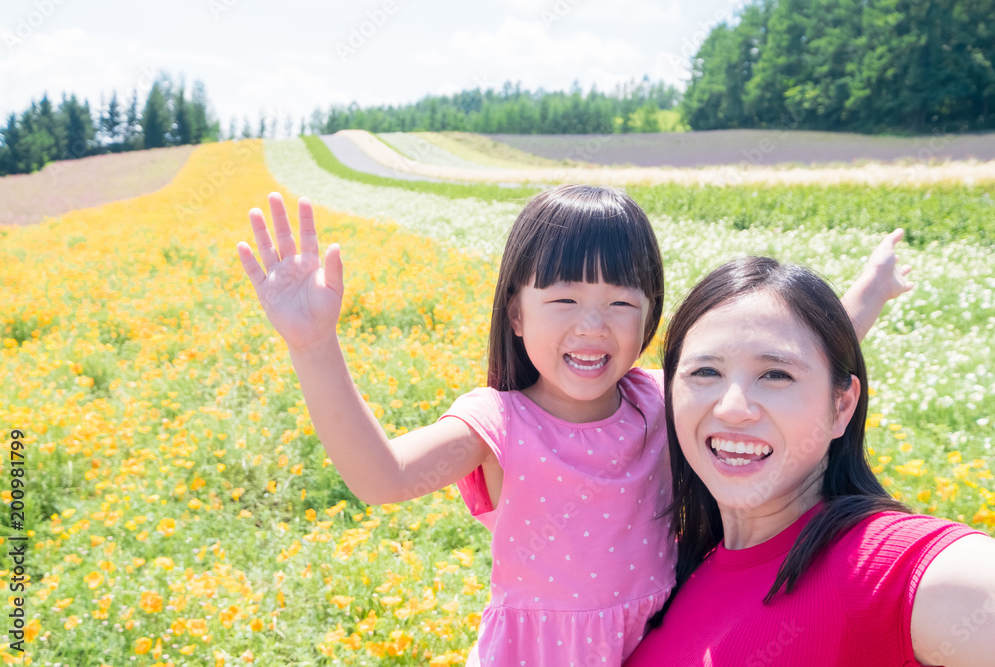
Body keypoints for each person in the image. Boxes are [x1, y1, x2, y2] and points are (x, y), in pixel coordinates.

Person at [237, 185, 908, 666]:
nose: (592, 326)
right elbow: (379, 477)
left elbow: (782, 371)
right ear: (516, 313)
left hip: (659, 636)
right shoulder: (498, 422)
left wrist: (867, 295)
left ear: (650, 317)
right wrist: (313, 342)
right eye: (563, 300)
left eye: (620, 302)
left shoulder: (657, 398)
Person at [624, 256, 995, 667]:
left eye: (776, 375)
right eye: (706, 371)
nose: (732, 407)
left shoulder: (878, 566)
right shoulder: (670, 566)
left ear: (841, 408)